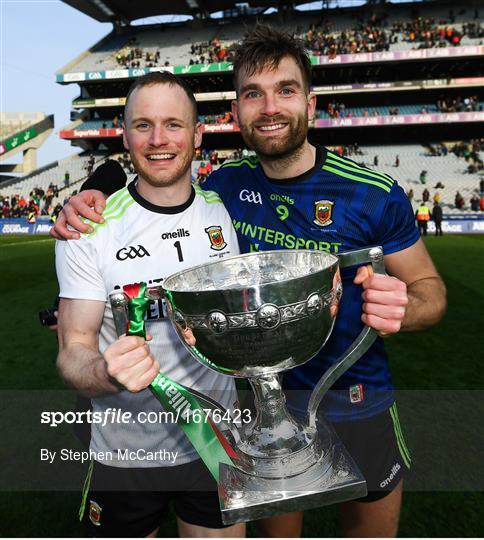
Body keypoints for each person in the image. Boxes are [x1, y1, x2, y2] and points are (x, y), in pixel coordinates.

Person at [51, 25, 447, 538]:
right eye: (252, 94)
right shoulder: (224, 189)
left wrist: (405, 309)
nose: (270, 108)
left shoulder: (373, 192)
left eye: (286, 90)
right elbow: (156, 181)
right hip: (257, 412)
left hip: (357, 399)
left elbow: (430, 291)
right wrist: (97, 185)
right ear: (235, 111)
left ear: (311, 100)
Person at [54, 72, 244, 538]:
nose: (159, 140)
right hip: (127, 454)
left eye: (173, 125)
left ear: (198, 134)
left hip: (213, 444)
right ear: (125, 134)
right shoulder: (90, 227)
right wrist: (104, 372)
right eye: (143, 125)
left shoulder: (222, 210)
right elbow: (72, 349)